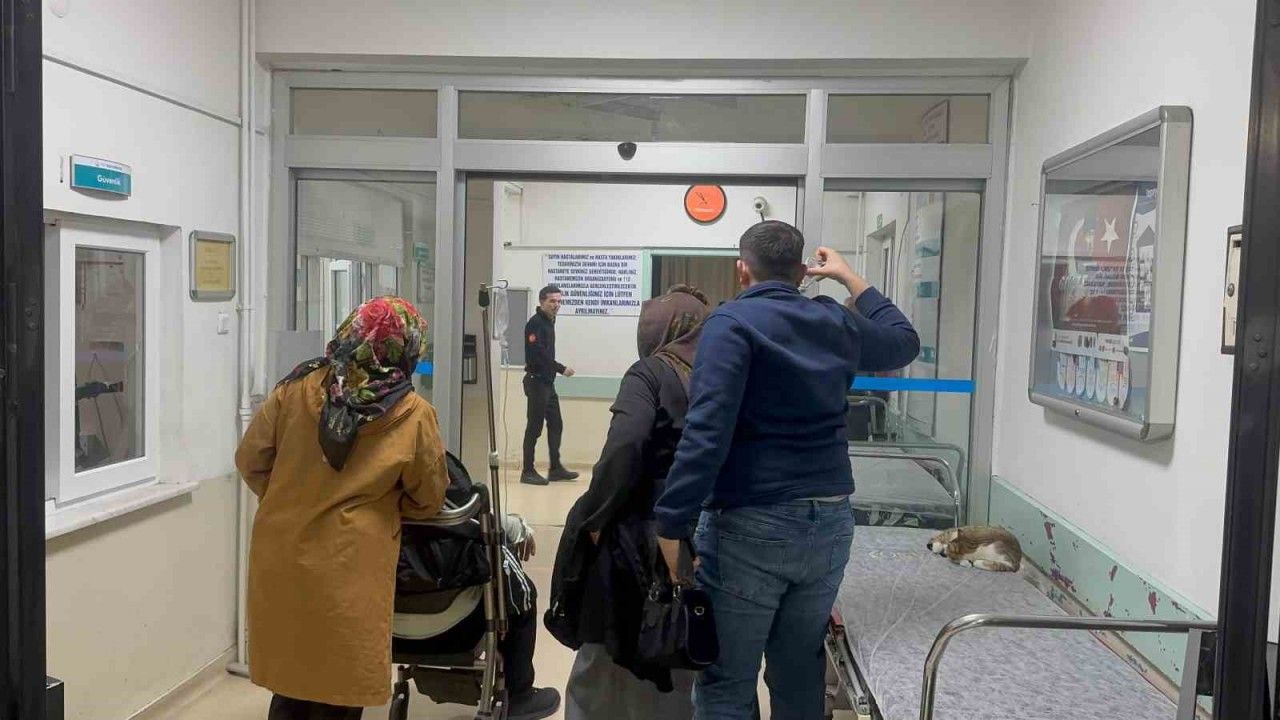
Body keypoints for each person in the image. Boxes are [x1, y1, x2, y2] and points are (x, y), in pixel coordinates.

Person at [654, 222, 920, 720]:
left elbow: (708, 432)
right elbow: (904, 341)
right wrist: (849, 277)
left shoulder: (731, 324)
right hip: (830, 523)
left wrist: (671, 523)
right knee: (799, 671)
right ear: (802, 272)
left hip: (750, 524)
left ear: (742, 269)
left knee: (726, 682)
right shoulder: (834, 320)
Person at [236, 296, 448, 719]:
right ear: (405, 348)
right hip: (351, 562)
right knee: (338, 688)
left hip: (283, 551)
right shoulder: (412, 414)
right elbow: (428, 497)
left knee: (293, 681)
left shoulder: (294, 388)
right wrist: (385, 507)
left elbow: (250, 460)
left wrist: (289, 496)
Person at [547, 285, 711, 720]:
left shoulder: (650, 373)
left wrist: (594, 517)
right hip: (700, 529)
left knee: (606, 643)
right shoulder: (720, 376)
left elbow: (625, 445)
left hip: (636, 530)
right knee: (679, 638)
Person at [522, 284, 579, 485]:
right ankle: (527, 471)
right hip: (536, 382)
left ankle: (555, 469)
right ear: (542, 302)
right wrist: (561, 368)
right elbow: (538, 354)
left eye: (559, 301)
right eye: (552, 301)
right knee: (534, 427)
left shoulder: (549, 321)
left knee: (556, 423)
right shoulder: (535, 324)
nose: (556, 305)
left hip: (547, 383)